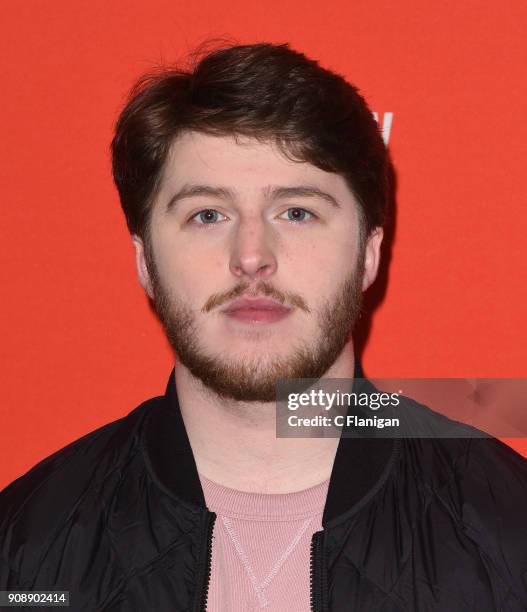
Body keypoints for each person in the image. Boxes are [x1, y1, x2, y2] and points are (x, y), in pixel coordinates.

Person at [1, 42, 526, 612]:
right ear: (145, 261)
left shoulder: (509, 536)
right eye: (208, 214)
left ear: (368, 252)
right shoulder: (26, 549)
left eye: (296, 212)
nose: (251, 256)